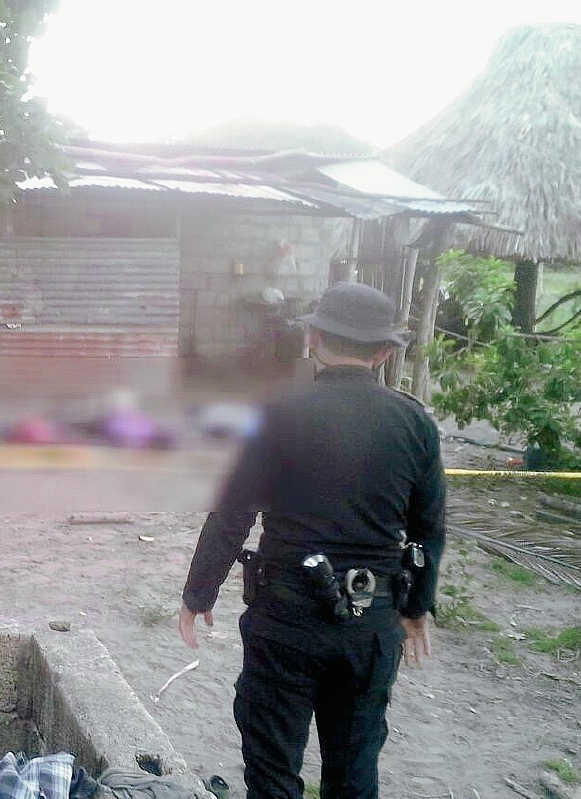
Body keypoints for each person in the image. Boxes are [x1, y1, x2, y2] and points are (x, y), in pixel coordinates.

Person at [178, 281, 446, 799]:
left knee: (273, 766)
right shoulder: (415, 422)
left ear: (314, 339)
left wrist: (199, 594)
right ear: (386, 351)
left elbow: (234, 513)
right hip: (373, 624)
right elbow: (429, 528)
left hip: (287, 620)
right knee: (354, 767)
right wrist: (416, 608)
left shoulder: (279, 412)